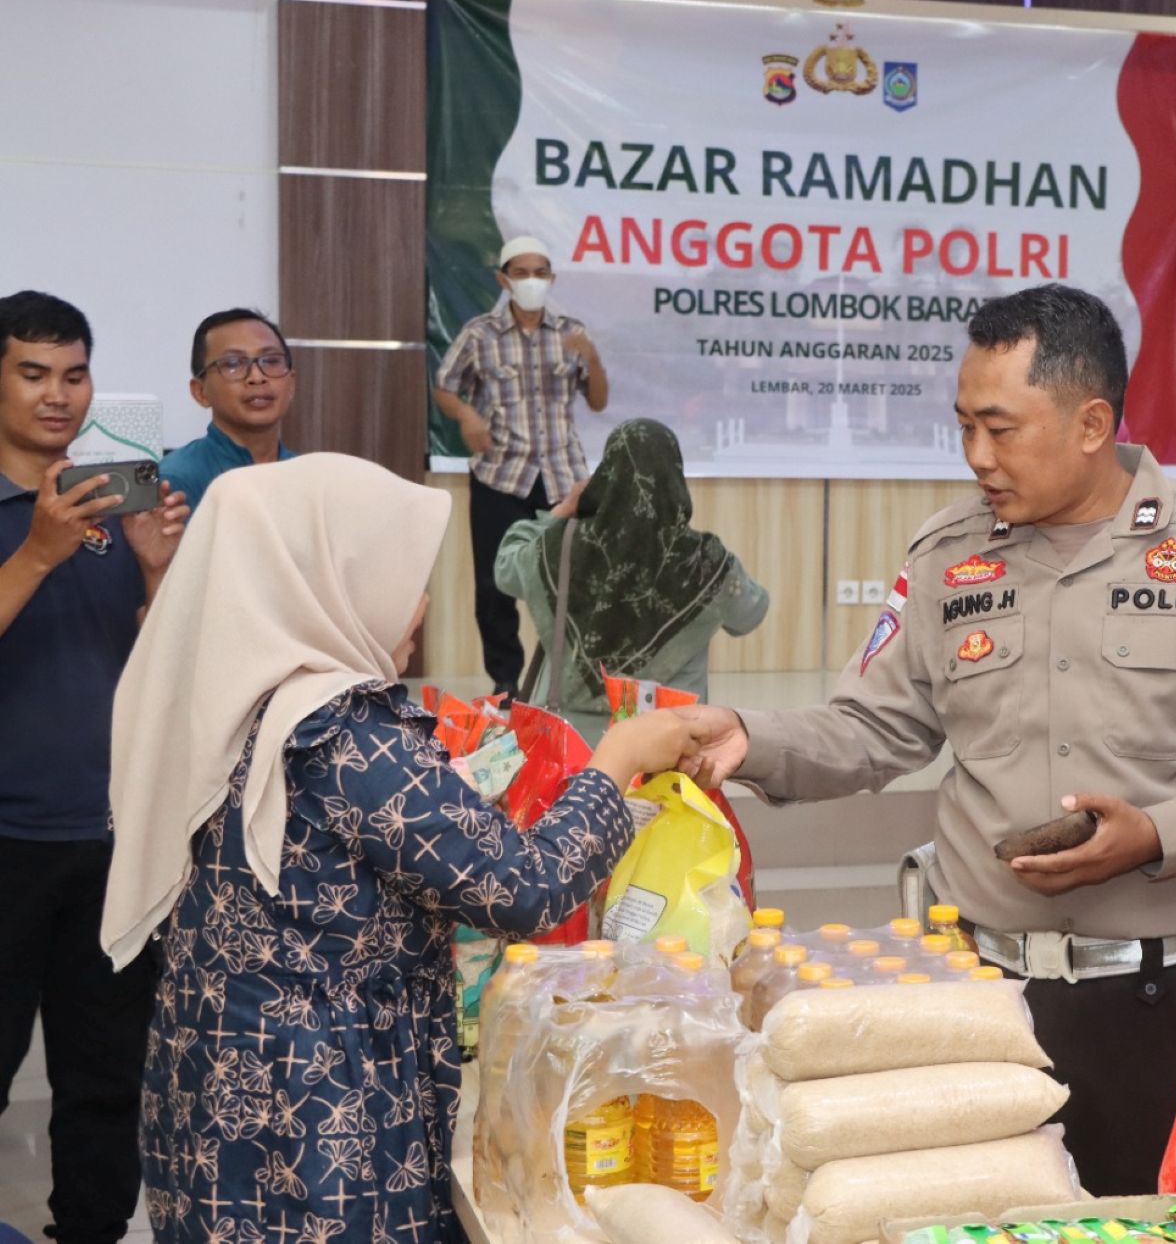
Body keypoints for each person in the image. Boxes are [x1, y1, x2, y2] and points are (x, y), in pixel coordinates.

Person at [683, 283, 1176, 1194]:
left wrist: (1158, 835)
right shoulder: (946, 555)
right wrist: (747, 738)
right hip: (973, 992)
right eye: (963, 427)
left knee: (1133, 1219)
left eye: (1000, 430)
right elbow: (876, 726)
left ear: (1090, 423)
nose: (976, 457)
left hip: (1154, 1004)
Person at [100, 454, 708, 1243]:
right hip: (321, 1106)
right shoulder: (345, 732)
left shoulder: (217, 695)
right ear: (330, 576)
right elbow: (519, 889)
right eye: (397, 573)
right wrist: (620, 756)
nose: (418, 603)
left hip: (217, 1073)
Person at [0, 291, 189, 1244]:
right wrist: (37, 551)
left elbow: (157, 672)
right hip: (5, 841)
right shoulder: (38, 521)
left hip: (112, 840)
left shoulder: (116, 504)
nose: (57, 396)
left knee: (105, 1083)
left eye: (74, 375)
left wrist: (156, 573)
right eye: (33, 373)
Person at [495, 418, 770, 741]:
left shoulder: (562, 544)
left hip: (568, 746)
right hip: (666, 746)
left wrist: (564, 509)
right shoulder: (705, 560)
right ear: (674, 480)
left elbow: (505, 569)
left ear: (605, 477)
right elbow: (749, 615)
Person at [434, 234, 611, 695]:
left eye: (540, 272)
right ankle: (507, 684)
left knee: (573, 580)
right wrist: (467, 415)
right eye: (521, 272)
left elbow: (597, 401)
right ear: (503, 279)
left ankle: (574, 679)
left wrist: (592, 358)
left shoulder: (573, 331)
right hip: (500, 475)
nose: (532, 281)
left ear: (551, 278)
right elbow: (445, 387)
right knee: (495, 586)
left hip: (562, 478)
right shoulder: (479, 333)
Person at [160, 308, 297, 510]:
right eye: (233, 363)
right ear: (200, 392)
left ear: (291, 383)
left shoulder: (307, 476)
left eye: (271, 361)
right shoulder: (174, 479)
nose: (257, 377)